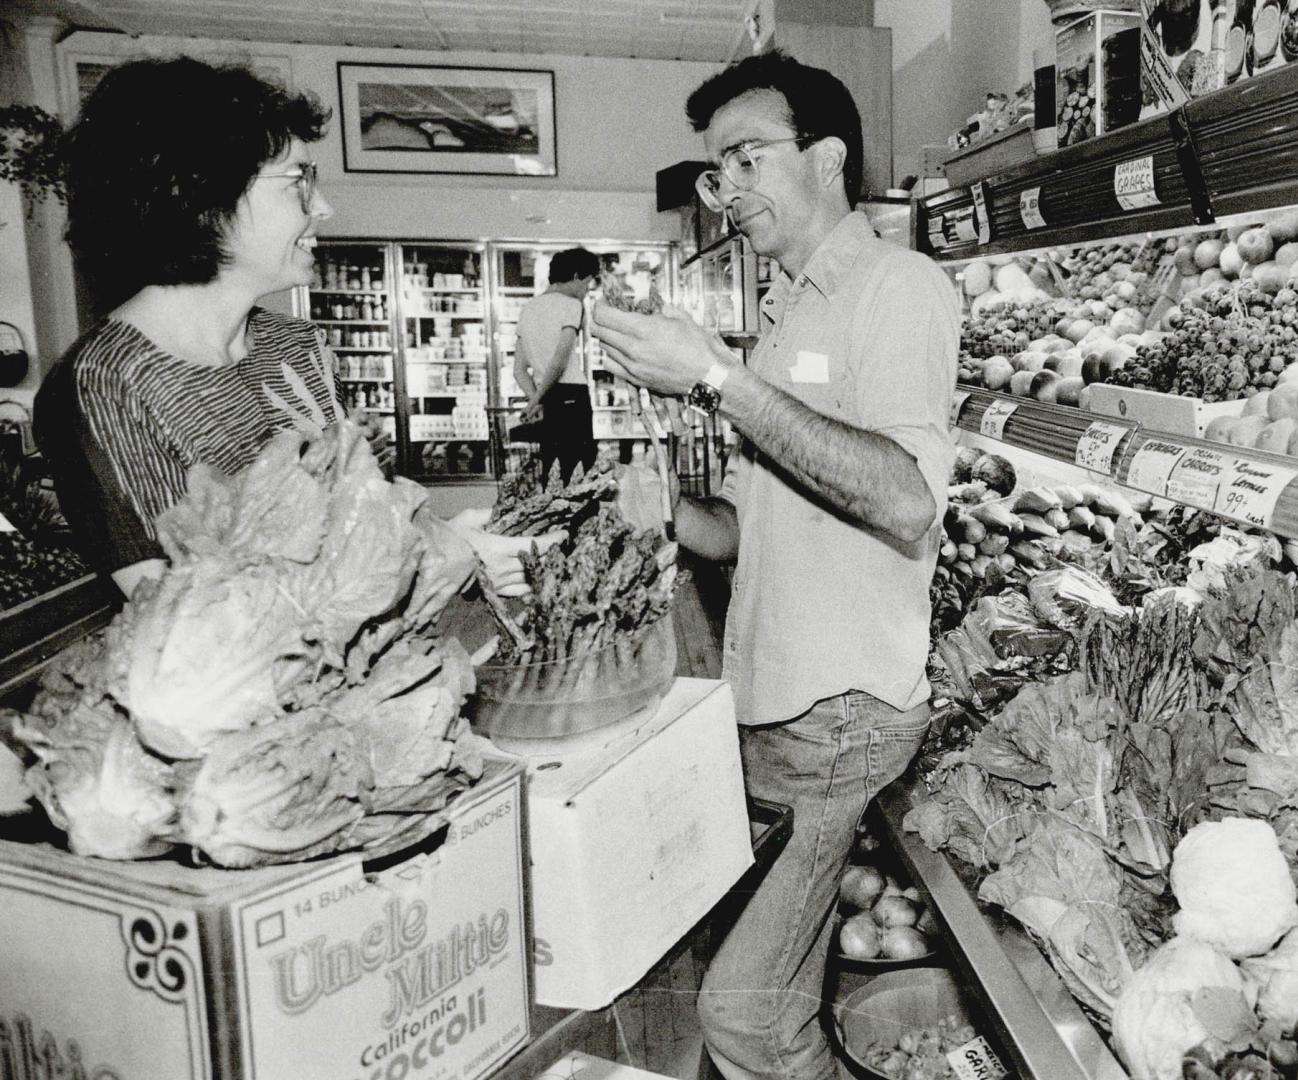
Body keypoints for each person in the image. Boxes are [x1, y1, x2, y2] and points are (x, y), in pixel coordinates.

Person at [590, 50, 958, 1080]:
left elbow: (901, 496)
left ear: (828, 157)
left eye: (747, 158)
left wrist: (713, 377)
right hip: (775, 705)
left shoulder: (899, 287)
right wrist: (673, 515)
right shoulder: (788, 308)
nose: (729, 190)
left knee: (745, 1016)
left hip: (841, 712)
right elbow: (759, 528)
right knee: (772, 996)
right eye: (718, 170)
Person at [35, 57, 548, 600]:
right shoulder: (105, 386)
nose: (323, 207)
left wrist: (446, 537)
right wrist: (441, 558)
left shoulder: (294, 346)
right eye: (297, 181)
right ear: (201, 197)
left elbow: (359, 522)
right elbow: (184, 613)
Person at [512, 246, 601, 481]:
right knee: (579, 471)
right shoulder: (571, 305)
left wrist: (536, 399)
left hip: (547, 398)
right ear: (575, 277)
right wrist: (536, 399)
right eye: (586, 284)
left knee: (552, 469)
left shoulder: (528, 308)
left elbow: (518, 370)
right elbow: (559, 362)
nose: (585, 292)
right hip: (572, 395)